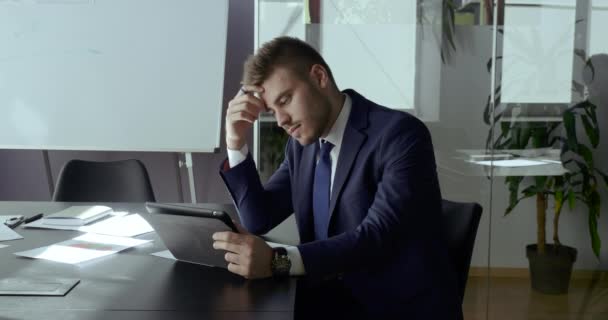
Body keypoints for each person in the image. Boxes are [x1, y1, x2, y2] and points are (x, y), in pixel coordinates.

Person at [213, 36, 461, 319]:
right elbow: (259, 218)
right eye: (272, 110)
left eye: (285, 100)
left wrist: (276, 261)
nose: (280, 120)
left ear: (319, 77)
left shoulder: (400, 135)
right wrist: (235, 142)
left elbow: (374, 237)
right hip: (328, 301)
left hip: (395, 307)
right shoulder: (301, 147)